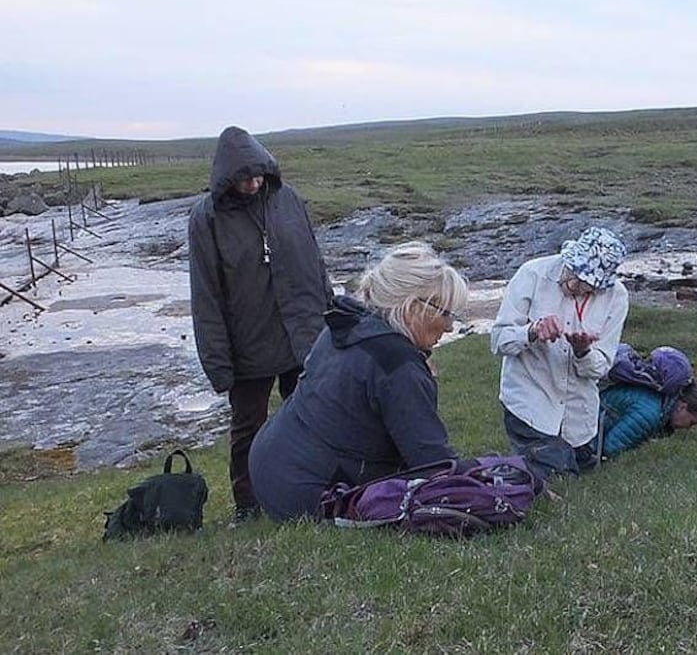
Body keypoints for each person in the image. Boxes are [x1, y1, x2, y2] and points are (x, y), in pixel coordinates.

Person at [248, 242, 466, 521]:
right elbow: (434, 463)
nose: (449, 326)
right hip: (306, 494)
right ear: (413, 308)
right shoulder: (397, 365)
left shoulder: (347, 324)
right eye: (445, 313)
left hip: (271, 465)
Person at [188, 125, 332, 522]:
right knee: (248, 428)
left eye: (258, 176)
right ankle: (248, 505)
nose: (253, 184)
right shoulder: (207, 218)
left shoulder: (289, 199)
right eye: (244, 178)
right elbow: (205, 294)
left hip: (302, 334)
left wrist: (331, 313)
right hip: (248, 345)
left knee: (311, 417)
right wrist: (218, 364)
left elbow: (315, 262)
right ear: (226, 177)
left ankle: (313, 490)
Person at [491, 226, 630, 480]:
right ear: (569, 257)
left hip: (579, 414)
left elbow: (601, 367)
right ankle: (500, 477)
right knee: (557, 479)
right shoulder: (532, 274)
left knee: (582, 476)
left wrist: (583, 352)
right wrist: (532, 331)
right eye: (574, 275)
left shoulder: (616, 297)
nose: (576, 287)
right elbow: (499, 341)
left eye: (587, 287)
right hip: (530, 403)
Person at [599, 380, 697, 460]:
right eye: (691, 422)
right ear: (682, 407)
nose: (688, 428)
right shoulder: (649, 415)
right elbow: (611, 447)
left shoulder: (658, 405)